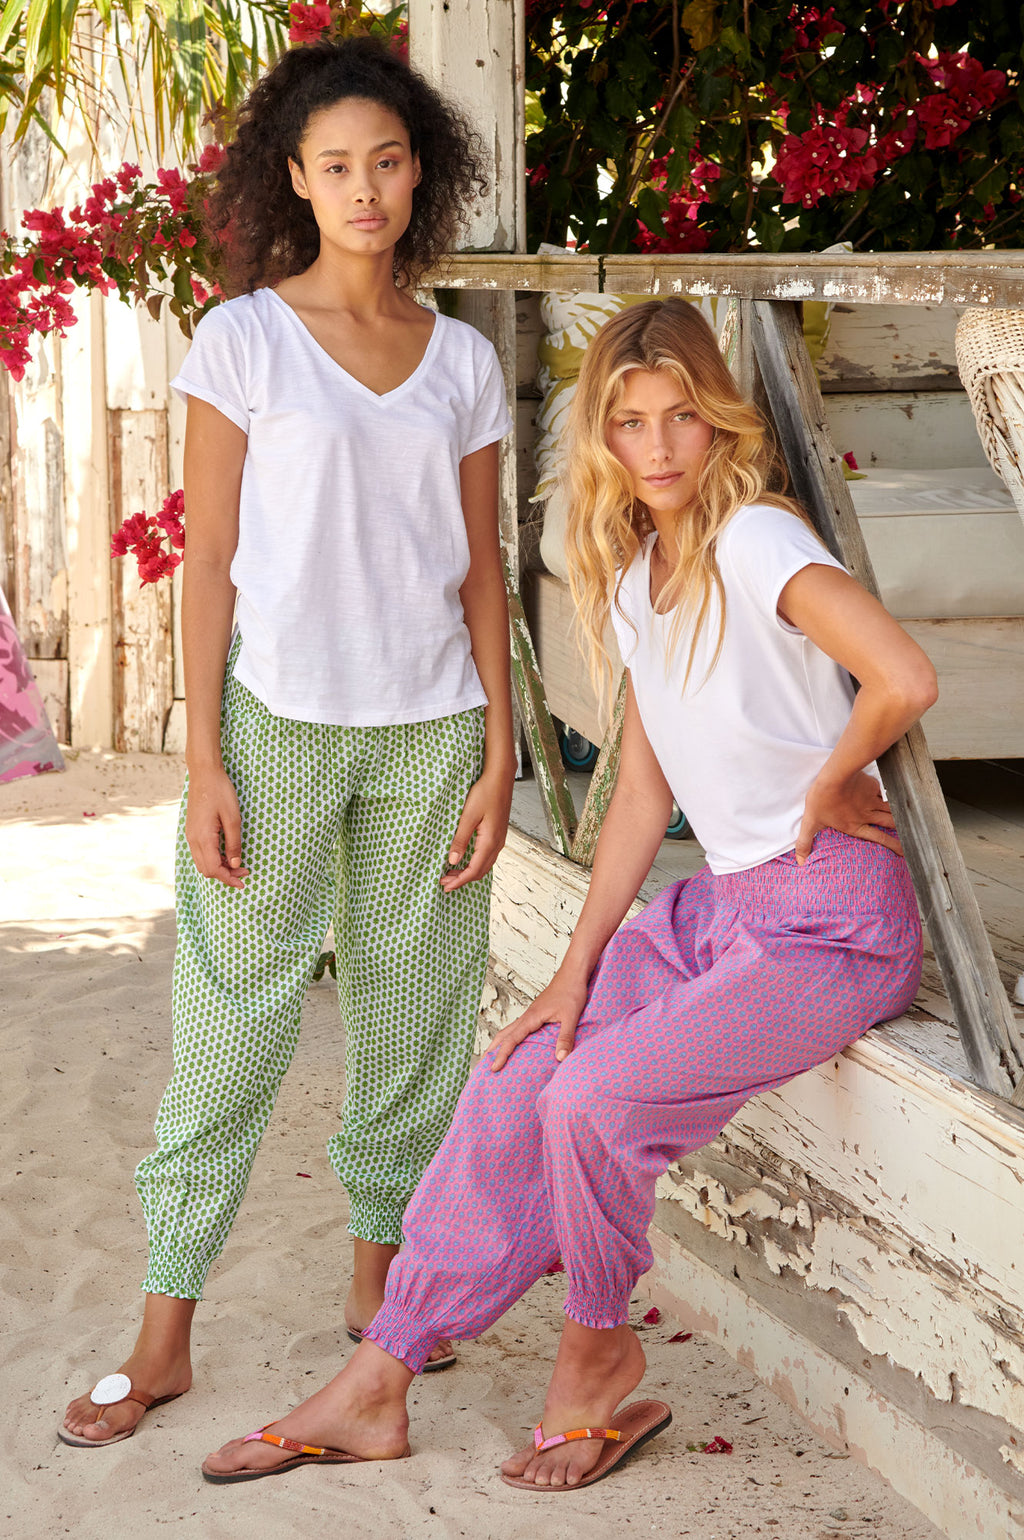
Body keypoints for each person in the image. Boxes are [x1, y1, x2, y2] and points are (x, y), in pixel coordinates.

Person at [199, 296, 936, 1492]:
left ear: (717, 421)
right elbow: (639, 790)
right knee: (514, 1077)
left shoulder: (755, 537)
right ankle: (380, 1378)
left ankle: (597, 1352)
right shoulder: (644, 576)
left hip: (832, 925)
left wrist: (832, 775)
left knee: (591, 1099)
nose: (656, 446)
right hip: (720, 915)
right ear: (602, 435)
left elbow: (902, 674)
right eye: (629, 422)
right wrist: (572, 973)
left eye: (680, 417)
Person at [60, 35, 516, 1448]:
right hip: (277, 726)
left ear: (420, 173)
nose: (365, 188)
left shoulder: (463, 359)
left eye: (388, 161)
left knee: (413, 1024)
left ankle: (379, 1296)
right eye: (336, 166)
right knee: (231, 1027)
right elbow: (206, 564)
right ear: (296, 180)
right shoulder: (244, 339)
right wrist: (202, 761)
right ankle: (165, 1329)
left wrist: (502, 750)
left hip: (433, 730)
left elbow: (483, 571)